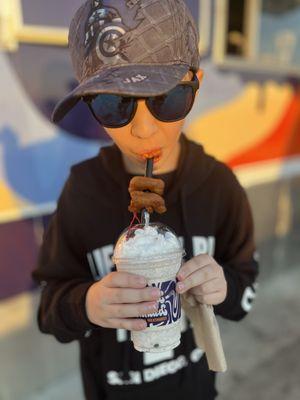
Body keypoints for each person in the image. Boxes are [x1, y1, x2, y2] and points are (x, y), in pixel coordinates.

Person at [32, 1, 259, 399]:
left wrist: (224, 287)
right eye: (114, 103)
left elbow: (244, 289)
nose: (142, 128)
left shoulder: (220, 186)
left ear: (196, 84)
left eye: (166, 98)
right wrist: (87, 303)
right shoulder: (81, 190)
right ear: (90, 104)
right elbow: (49, 310)